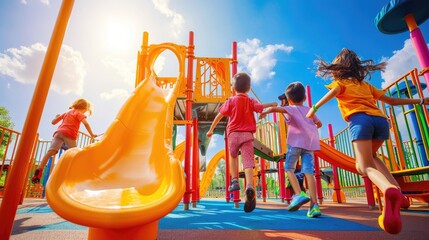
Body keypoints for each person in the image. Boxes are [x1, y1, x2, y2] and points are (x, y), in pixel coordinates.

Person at [306, 48, 429, 234]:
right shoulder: (365, 86)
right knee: (372, 156)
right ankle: (398, 191)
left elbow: (328, 97)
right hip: (381, 122)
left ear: (338, 68)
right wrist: (420, 101)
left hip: (360, 121)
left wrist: (313, 109)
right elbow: (392, 101)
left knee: (363, 166)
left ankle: (388, 189)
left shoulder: (340, 84)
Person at [206, 72, 277, 213]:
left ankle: (234, 180)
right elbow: (261, 107)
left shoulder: (231, 101)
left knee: (233, 156)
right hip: (247, 135)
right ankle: (249, 185)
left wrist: (211, 129)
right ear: (249, 89)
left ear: (233, 88)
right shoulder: (251, 101)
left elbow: (219, 115)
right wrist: (272, 104)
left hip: (233, 134)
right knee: (248, 161)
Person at [260, 82, 322, 218]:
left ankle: (299, 194)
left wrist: (266, 111)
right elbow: (319, 123)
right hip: (310, 145)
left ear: (289, 100)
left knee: (289, 168)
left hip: (295, 143)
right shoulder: (309, 110)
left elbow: (276, 110)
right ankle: (315, 205)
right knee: (309, 173)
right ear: (305, 98)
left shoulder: (291, 108)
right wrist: (311, 127)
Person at [31, 98, 97, 184]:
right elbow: (86, 124)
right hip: (69, 135)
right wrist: (92, 134)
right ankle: (75, 174)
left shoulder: (66, 113)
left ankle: (39, 170)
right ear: (84, 108)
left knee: (50, 152)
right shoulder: (79, 114)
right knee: (75, 154)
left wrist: (56, 117)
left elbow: (53, 122)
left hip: (58, 133)